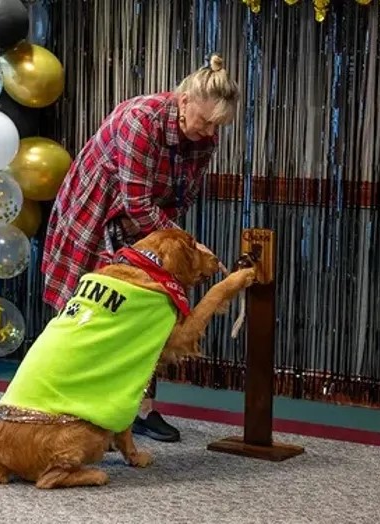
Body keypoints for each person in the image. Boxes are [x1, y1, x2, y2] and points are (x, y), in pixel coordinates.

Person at [42, 54, 240, 443]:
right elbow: (135, 202)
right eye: (204, 121)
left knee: (147, 311)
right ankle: (69, 404)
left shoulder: (205, 135)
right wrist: (187, 244)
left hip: (149, 224)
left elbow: (181, 196)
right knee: (93, 312)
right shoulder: (140, 120)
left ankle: (141, 411)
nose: (209, 131)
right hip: (97, 215)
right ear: (183, 101)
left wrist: (173, 245)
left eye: (218, 125)